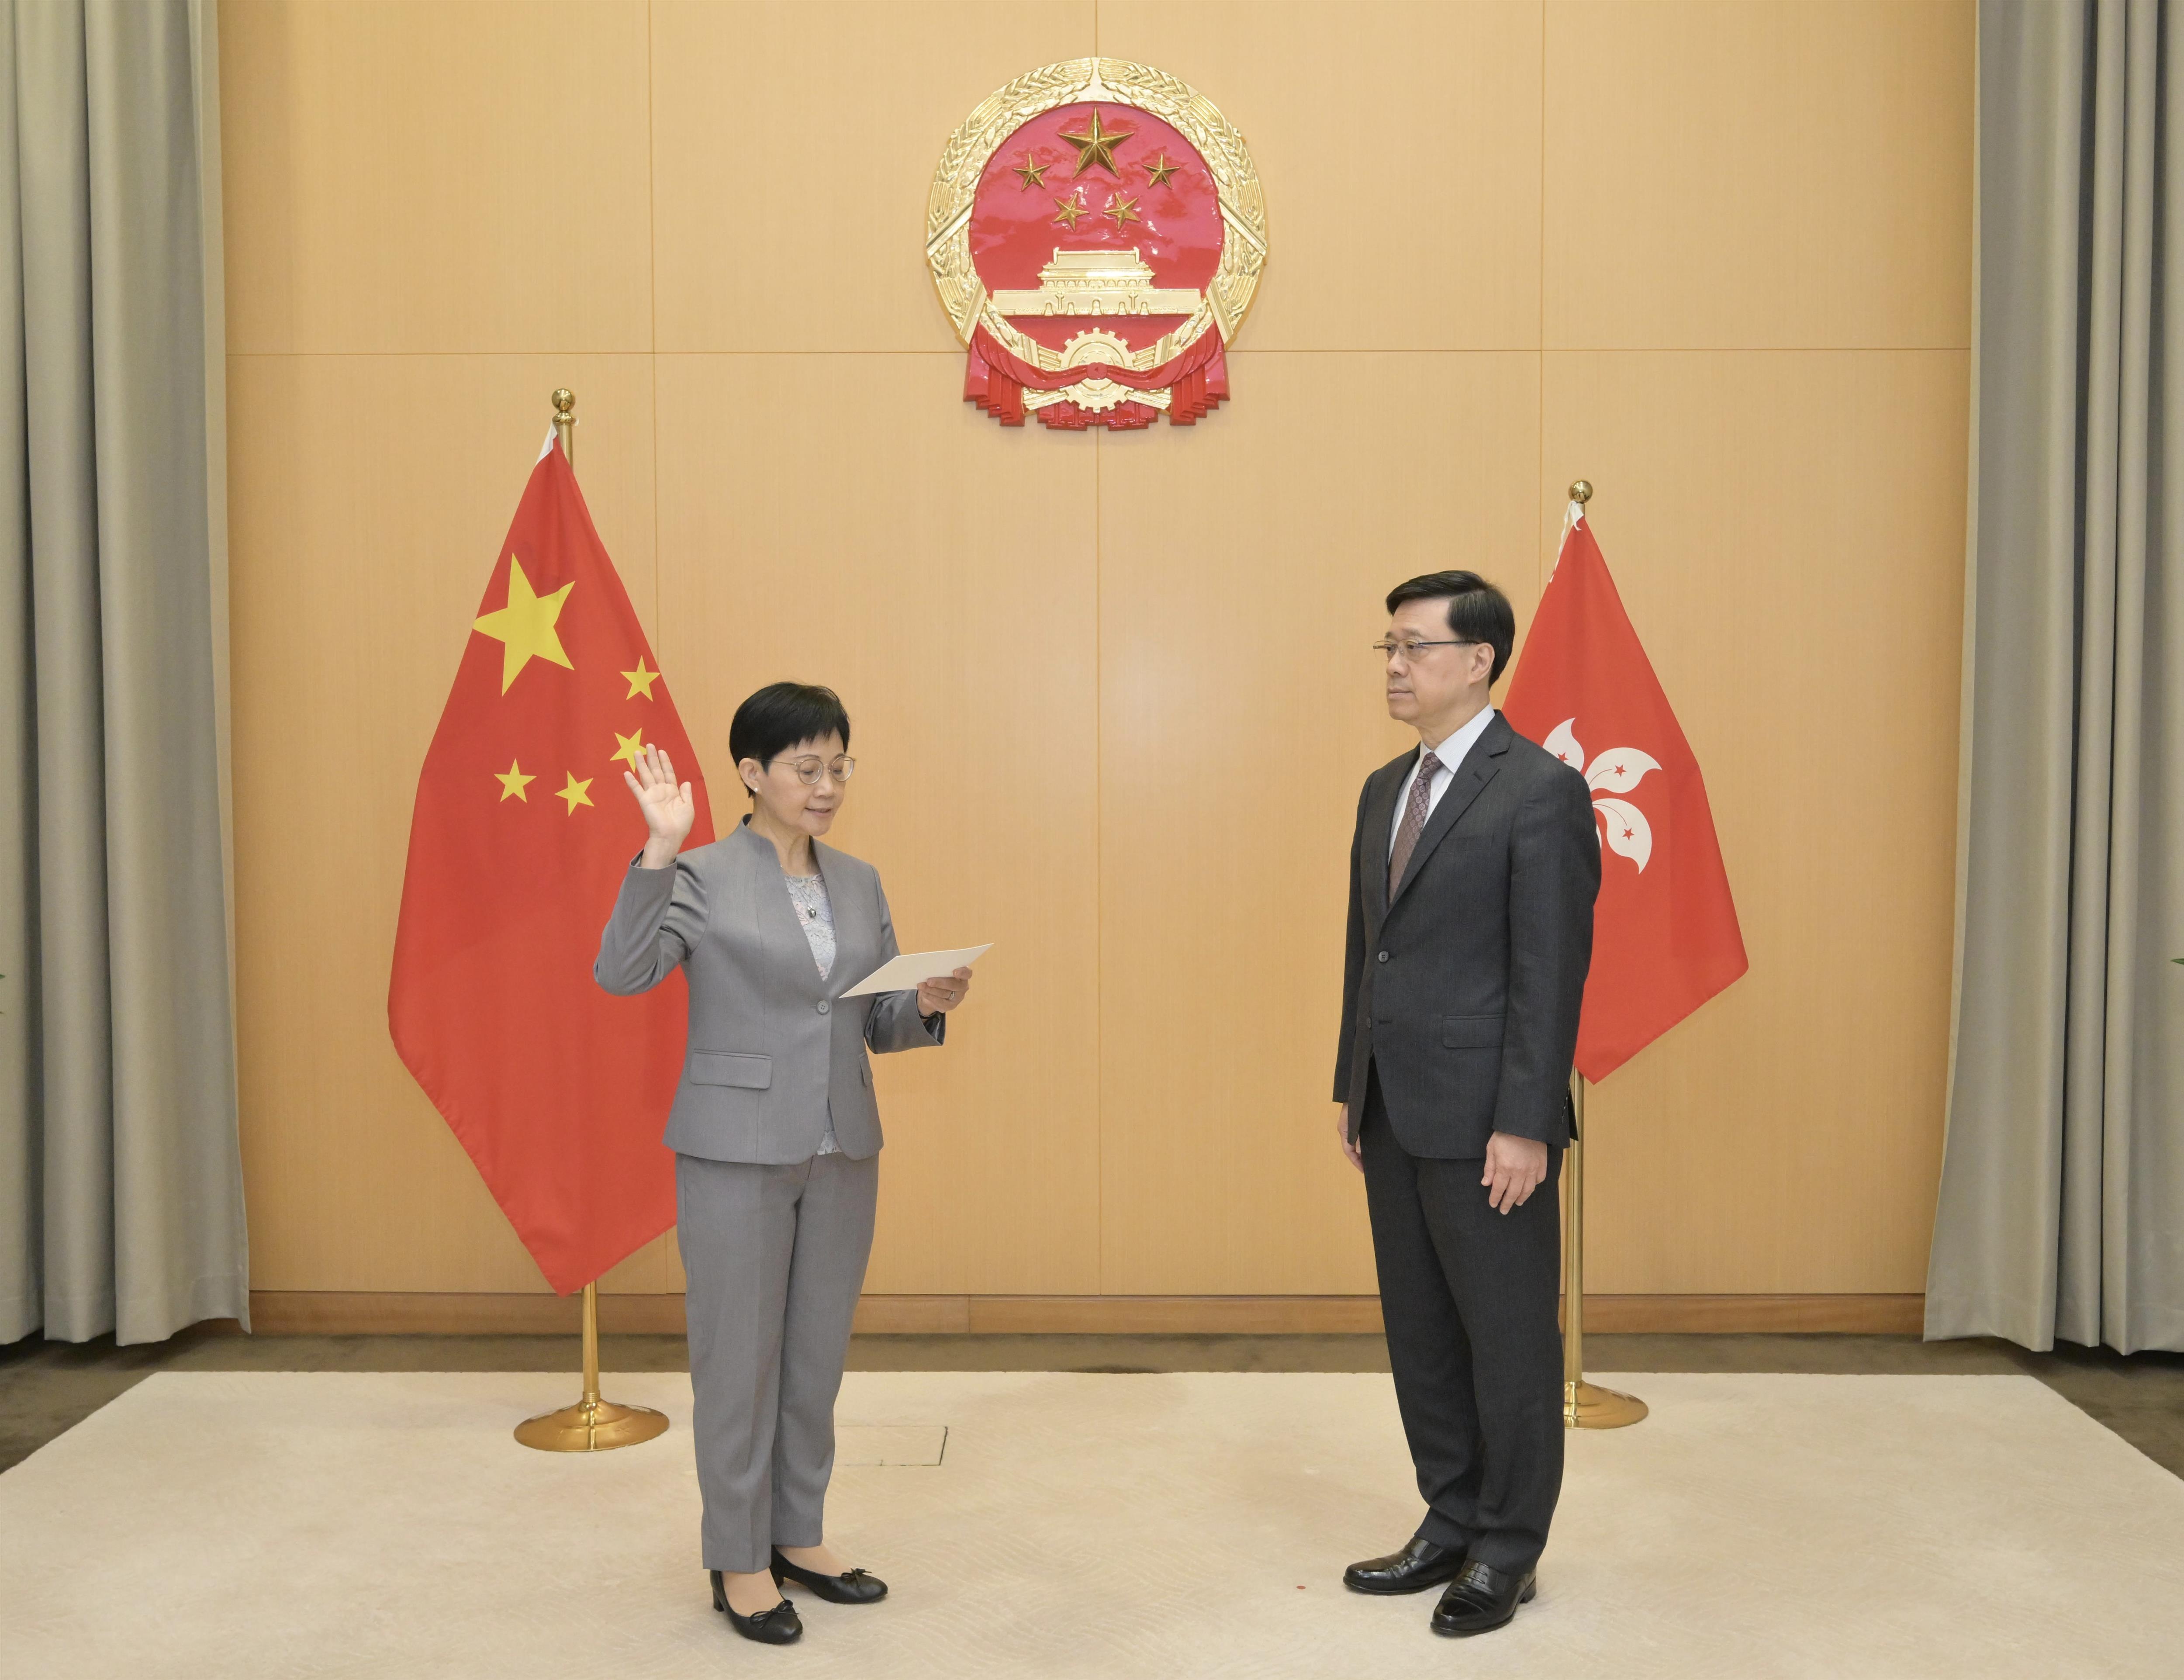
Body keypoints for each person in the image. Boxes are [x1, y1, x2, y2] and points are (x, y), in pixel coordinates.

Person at [594, 681, 973, 1648]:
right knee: (738, 1365)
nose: (828, 783)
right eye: (807, 767)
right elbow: (623, 970)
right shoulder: (705, 872)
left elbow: (869, 1020)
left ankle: (797, 1533)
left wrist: (925, 1000)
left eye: (840, 764)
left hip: (843, 1146)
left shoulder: (859, 880)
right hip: (733, 1152)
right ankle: (737, 1556)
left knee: (812, 1361)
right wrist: (659, 850)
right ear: (752, 775)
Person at [1331, 571, 1597, 1637]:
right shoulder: (1379, 789)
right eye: (1386, 648)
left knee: (1508, 1340)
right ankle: (1448, 1514)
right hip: (1395, 1107)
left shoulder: (1538, 790)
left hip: (1493, 1119)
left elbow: (1551, 973)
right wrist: (1351, 1084)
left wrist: (1526, 1121)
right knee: (1424, 1332)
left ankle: (1506, 1548)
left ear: (1478, 660)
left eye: (1414, 647)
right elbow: (1370, 954)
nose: (1394, 666)